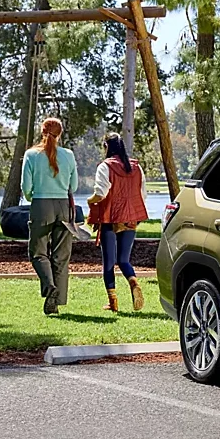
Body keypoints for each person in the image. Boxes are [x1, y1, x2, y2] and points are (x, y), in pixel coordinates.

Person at [87, 133, 150, 313]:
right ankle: (133, 282)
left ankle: (113, 303)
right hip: (130, 217)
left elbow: (100, 193)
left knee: (109, 261)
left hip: (110, 217)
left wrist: (90, 201)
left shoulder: (105, 166)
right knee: (123, 259)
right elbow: (143, 194)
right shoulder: (136, 167)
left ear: (107, 146)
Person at [22, 117, 78, 315]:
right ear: (60, 134)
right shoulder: (68, 155)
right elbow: (74, 186)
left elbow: (26, 187)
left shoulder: (31, 155)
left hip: (41, 205)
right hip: (63, 206)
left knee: (37, 252)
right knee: (61, 255)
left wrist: (32, 197)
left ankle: (50, 287)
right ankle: (57, 300)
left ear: (42, 132)